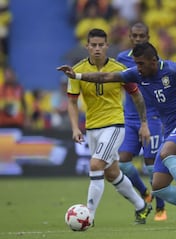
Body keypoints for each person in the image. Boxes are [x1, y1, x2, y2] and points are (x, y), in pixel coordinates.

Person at [57, 42, 176, 229]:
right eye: (136, 63)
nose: (138, 68)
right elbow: (105, 76)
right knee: (160, 187)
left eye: (141, 63)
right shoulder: (137, 73)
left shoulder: (174, 69)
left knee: (166, 153)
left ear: (153, 61)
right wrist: (77, 75)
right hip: (168, 130)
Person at [57, 28, 152, 225]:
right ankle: (141, 206)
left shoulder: (119, 69)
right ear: (87, 47)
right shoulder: (78, 70)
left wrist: (144, 123)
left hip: (115, 124)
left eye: (101, 45)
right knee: (111, 173)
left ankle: (88, 216)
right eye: (94, 45)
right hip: (92, 127)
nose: (97, 49)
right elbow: (73, 102)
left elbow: (137, 95)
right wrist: (75, 128)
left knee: (95, 165)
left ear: (107, 46)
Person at [116, 22, 167, 221]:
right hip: (129, 118)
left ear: (148, 37)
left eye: (141, 36)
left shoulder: (155, 60)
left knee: (150, 164)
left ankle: (161, 206)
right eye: (134, 36)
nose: (137, 39)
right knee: (123, 162)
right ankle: (145, 192)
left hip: (152, 117)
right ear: (130, 37)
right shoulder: (121, 58)